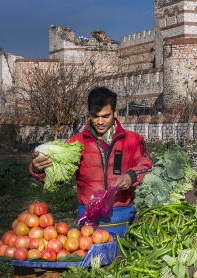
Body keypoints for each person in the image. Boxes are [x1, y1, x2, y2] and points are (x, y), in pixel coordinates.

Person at [30, 86, 152, 237]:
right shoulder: (75, 144)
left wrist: (131, 176)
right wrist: (38, 170)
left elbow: (146, 166)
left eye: (105, 116)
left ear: (115, 113)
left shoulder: (133, 140)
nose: (100, 121)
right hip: (89, 223)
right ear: (89, 113)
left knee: (123, 258)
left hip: (125, 219)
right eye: (95, 116)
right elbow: (56, 177)